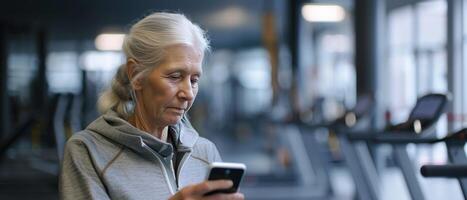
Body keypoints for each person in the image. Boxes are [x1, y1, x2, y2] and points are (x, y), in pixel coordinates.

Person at [59, 12, 245, 200]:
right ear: (135, 74)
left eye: (194, 80)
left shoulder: (205, 152)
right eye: (174, 76)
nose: (188, 93)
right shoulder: (88, 151)